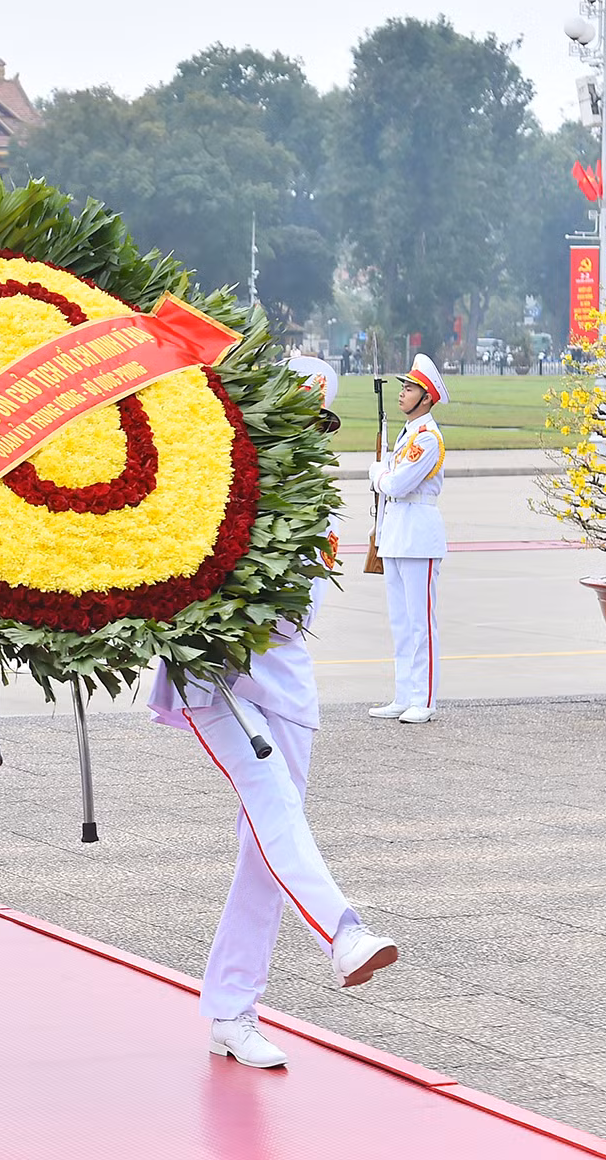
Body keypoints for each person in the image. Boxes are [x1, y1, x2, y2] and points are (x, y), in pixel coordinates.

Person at [150, 356, 400, 1070]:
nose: (308, 439)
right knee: (274, 808)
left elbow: (298, 615)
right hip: (212, 680)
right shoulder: (210, 478)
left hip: (284, 685)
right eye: (294, 421)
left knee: (265, 852)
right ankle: (342, 933)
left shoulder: (313, 505)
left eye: (318, 426)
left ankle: (231, 1008)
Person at [367, 352, 449, 725]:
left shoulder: (428, 438)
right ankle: (404, 694)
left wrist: (377, 474)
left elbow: (398, 484)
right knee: (400, 622)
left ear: (427, 398)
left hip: (418, 532)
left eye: (411, 388)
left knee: (421, 623)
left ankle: (424, 698)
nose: (403, 393)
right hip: (397, 533)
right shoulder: (407, 435)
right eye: (403, 386)